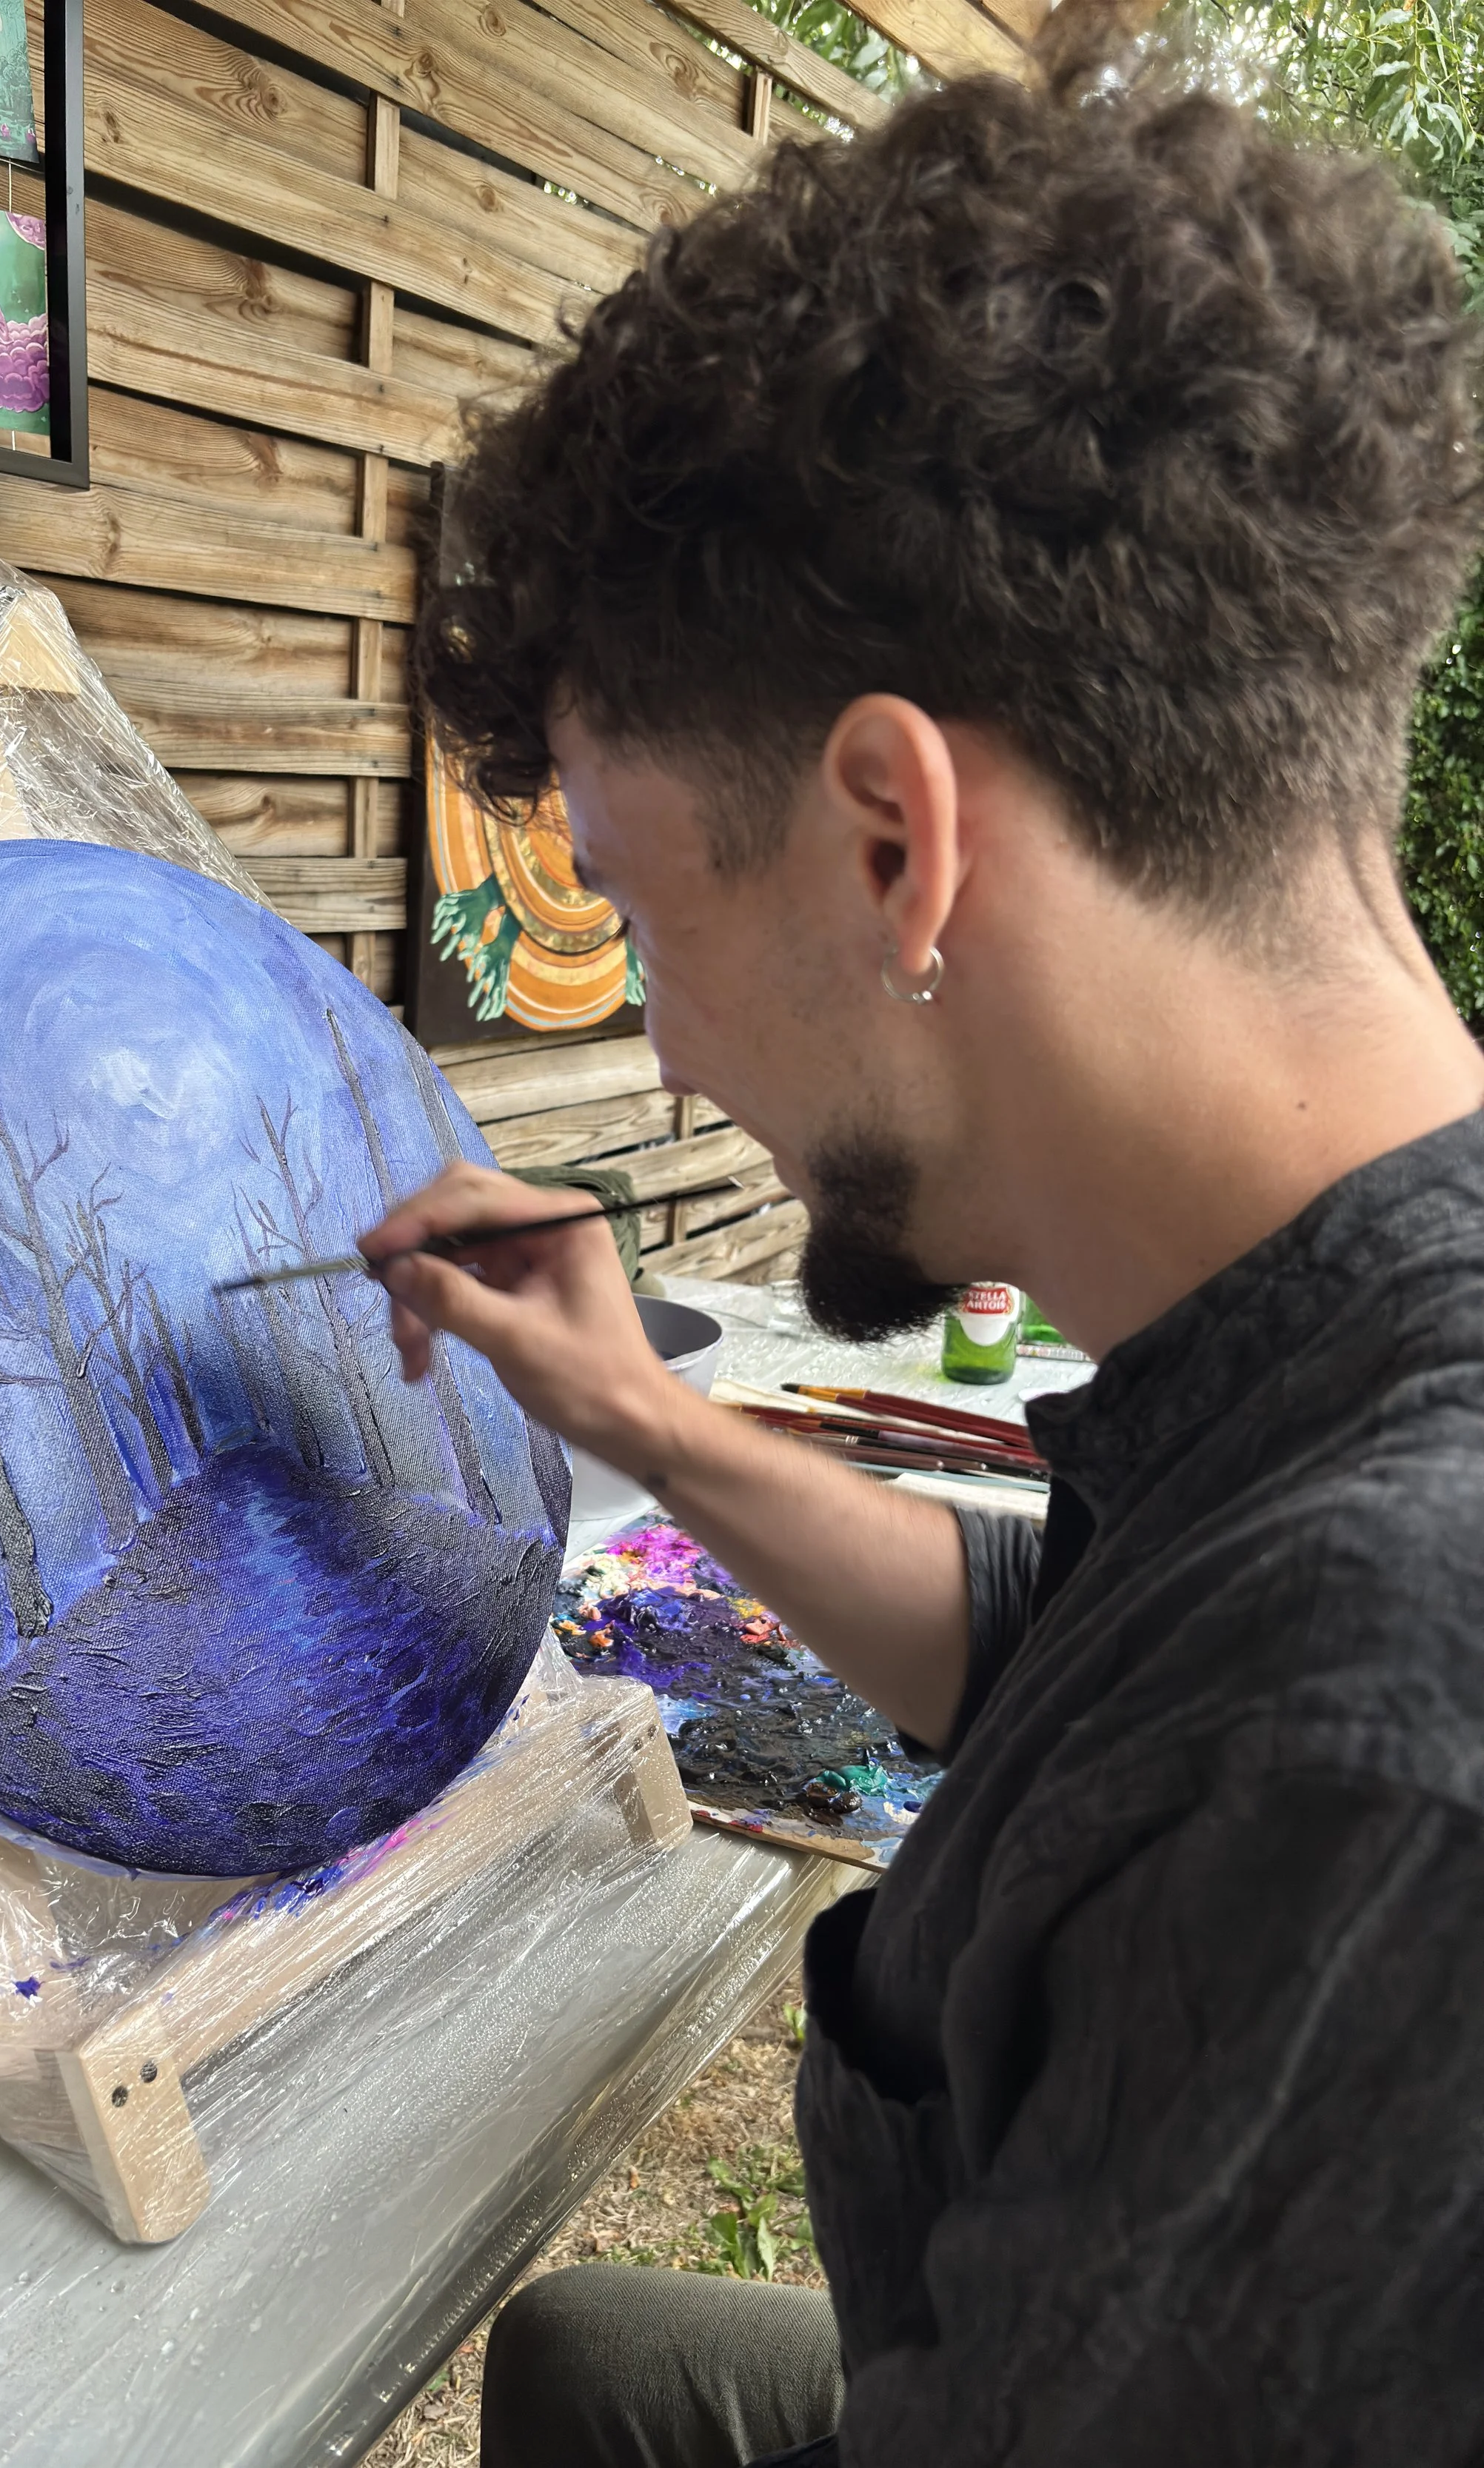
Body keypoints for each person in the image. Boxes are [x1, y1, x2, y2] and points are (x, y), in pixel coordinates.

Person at [360, 10, 1484, 2462]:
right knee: (591, 2357)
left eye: (646, 916)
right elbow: (1049, 1656)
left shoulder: (1363, 1777)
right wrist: (635, 1407)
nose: (658, 1055)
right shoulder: (1330, 1349)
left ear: (895, 841)